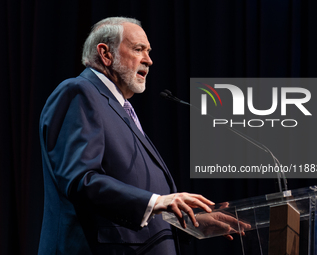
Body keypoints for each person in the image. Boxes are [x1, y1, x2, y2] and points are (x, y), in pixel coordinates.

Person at [38, 17, 219, 255]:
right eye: (138, 49)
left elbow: (135, 199)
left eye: (149, 51)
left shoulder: (119, 107)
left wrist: (191, 221)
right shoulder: (79, 92)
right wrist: (155, 202)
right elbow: (81, 180)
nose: (149, 60)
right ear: (106, 53)